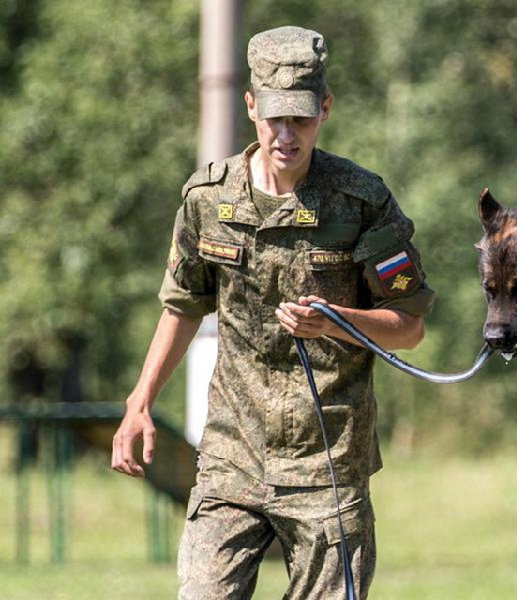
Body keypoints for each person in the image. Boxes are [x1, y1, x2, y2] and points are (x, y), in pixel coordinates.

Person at [111, 26, 433, 599]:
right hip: (233, 454)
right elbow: (182, 306)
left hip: (329, 460)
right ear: (251, 105)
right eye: (274, 119)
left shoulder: (361, 200)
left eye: (302, 120)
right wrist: (140, 405)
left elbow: (408, 327)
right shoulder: (209, 199)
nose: (287, 136)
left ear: (325, 109)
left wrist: (340, 320)